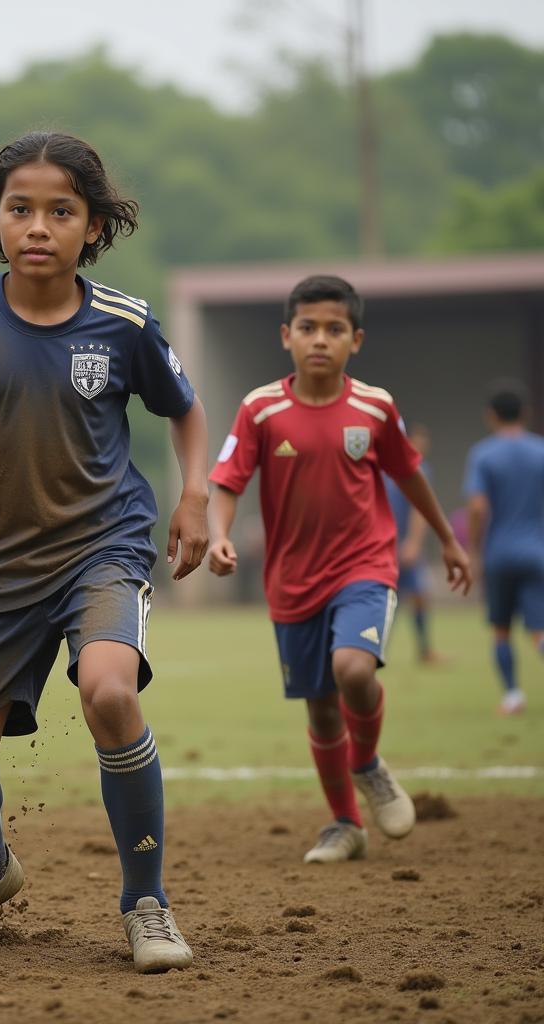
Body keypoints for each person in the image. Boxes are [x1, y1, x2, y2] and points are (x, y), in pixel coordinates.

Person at [0, 132, 209, 973]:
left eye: (61, 211)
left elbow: (184, 409)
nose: (39, 225)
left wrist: (194, 494)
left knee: (109, 691)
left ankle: (145, 903)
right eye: (21, 208)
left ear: (94, 227)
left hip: (103, 549)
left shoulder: (124, 321)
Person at [208, 274, 470, 865]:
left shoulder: (375, 407)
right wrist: (220, 535)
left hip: (364, 565)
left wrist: (449, 542)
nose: (319, 340)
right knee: (322, 706)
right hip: (292, 581)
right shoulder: (260, 408)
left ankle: (367, 765)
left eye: (333, 329)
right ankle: (345, 824)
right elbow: (226, 481)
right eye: (307, 328)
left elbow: (410, 477)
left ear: (356, 339)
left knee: (353, 669)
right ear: (286, 336)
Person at [464, 388, 544, 715]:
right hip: (538, 552)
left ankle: (512, 695)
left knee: (501, 629)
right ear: (524, 413)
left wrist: (473, 550)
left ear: (491, 415)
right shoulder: (540, 451)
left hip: (499, 553)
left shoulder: (483, 455)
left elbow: (478, 507)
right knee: (539, 629)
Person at [383, 424, 445, 664]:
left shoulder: (415, 466)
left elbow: (419, 511)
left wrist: (413, 543)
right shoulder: (397, 465)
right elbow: (419, 510)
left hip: (401, 546)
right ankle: (374, 648)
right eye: (417, 441)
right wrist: (414, 543)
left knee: (417, 594)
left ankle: (424, 650)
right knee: (389, 597)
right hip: (390, 545)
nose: (421, 446)